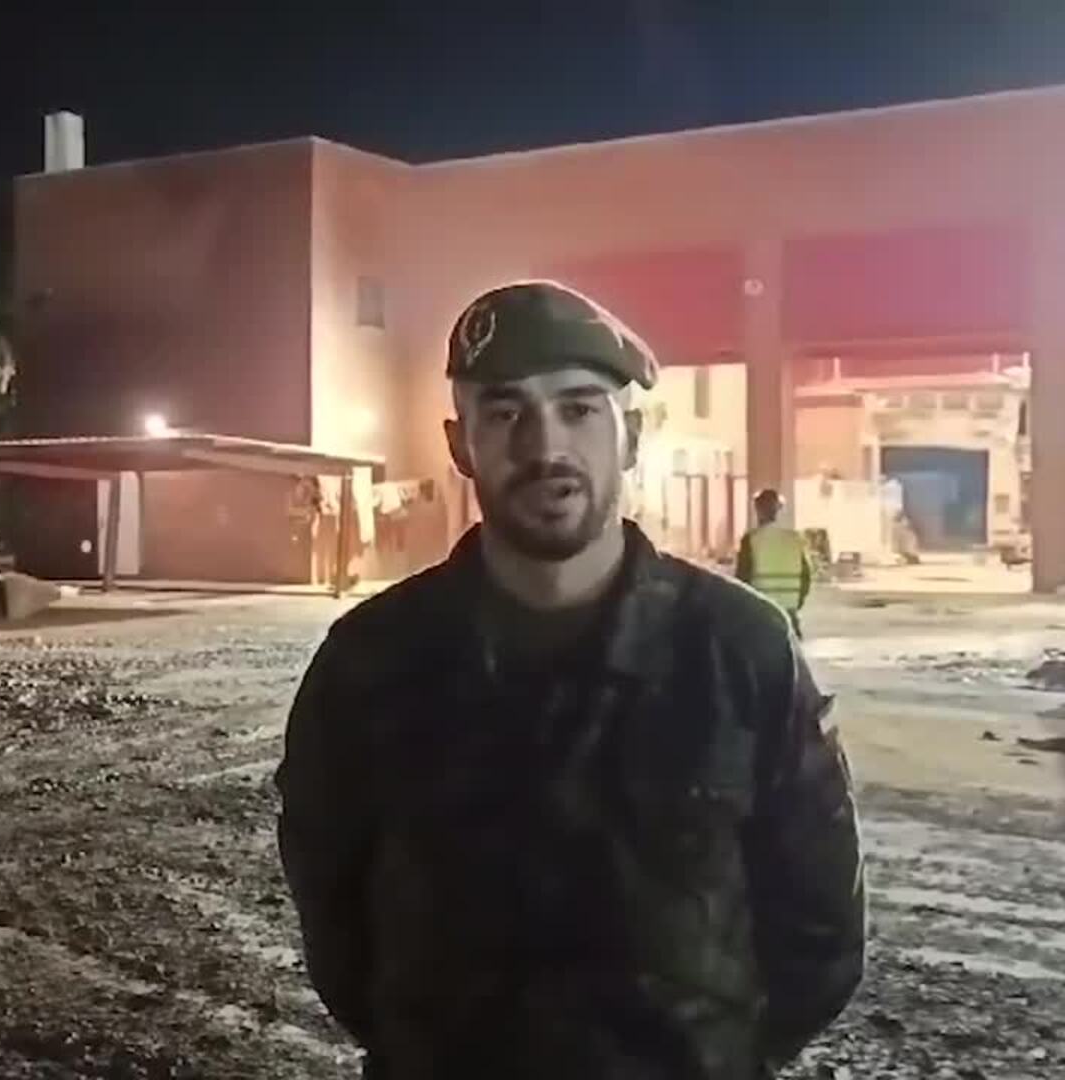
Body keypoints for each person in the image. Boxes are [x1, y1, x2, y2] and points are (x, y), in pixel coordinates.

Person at [276, 281, 865, 1079]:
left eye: (579, 408)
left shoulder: (739, 651)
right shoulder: (371, 662)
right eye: (505, 412)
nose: (544, 445)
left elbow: (821, 934)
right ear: (460, 445)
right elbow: (336, 923)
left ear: (631, 436)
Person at [736, 488, 815, 638]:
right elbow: (806, 577)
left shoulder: (752, 540)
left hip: (761, 613)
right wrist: (795, 603)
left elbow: (742, 580)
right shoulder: (795, 539)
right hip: (789, 612)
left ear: (758, 510)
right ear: (779, 510)